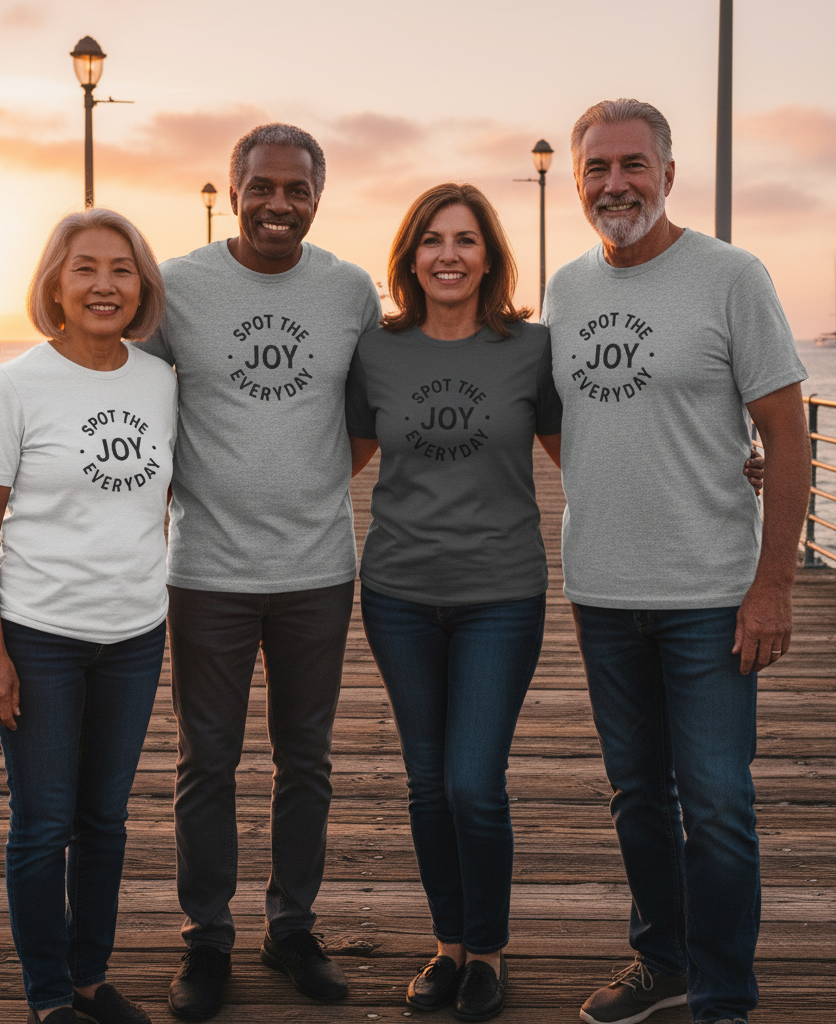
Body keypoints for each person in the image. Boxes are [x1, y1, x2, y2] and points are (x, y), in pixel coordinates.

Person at [0, 124, 382, 1021]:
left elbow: (372, 409)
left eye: (296, 188)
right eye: (261, 185)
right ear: (234, 190)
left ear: (318, 194)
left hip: (315, 568)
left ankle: (291, 927)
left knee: (306, 759)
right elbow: (93, 374)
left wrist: (301, 485)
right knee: (207, 762)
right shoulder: (179, 288)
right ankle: (209, 939)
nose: (278, 203)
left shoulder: (348, 290)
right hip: (200, 572)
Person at [540, 99, 812, 1024]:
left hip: (711, 591)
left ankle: (725, 993)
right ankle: (662, 961)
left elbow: (787, 432)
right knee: (636, 797)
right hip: (602, 588)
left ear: (667, 172)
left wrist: (773, 585)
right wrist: (614, 478)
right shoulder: (565, 288)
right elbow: (561, 417)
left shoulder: (731, 275)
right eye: (597, 169)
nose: (615, 184)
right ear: (577, 180)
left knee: (718, 803)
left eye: (633, 165)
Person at [345, 183, 563, 1021]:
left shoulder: (532, 349)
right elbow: (334, 463)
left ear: (489, 256)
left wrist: (732, 468)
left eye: (466, 240)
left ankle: (490, 953)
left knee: (474, 781)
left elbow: (591, 454)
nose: (448, 254)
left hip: (501, 595)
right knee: (427, 785)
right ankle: (448, 948)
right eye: (432, 239)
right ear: (409, 257)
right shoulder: (376, 351)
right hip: (397, 593)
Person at [0, 208, 176, 1024]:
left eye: (121, 268)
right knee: (42, 822)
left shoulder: (159, 381)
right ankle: (48, 995)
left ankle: (90, 978)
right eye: (84, 268)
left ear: (142, 284)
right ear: (54, 282)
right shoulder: (12, 387)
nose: (104, 284)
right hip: (40, 636)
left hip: (133, 634)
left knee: (106, 820)